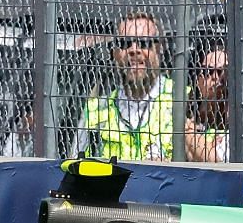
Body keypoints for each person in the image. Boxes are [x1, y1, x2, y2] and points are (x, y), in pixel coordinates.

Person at [73, 12, 174, 161]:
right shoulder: (96, 109)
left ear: (159, 48)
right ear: (115, 53)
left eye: (144, 42)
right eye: (125, 43)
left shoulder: (182, 101)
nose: (134, 50)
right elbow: (75, 162)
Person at [184, 41, 230, 163]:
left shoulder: (241, 123)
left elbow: (214, 162)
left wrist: (184, 128)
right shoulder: (187, 106)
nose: (215, 77)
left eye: (222, 71)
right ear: (199, 80)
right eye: (208, 72)